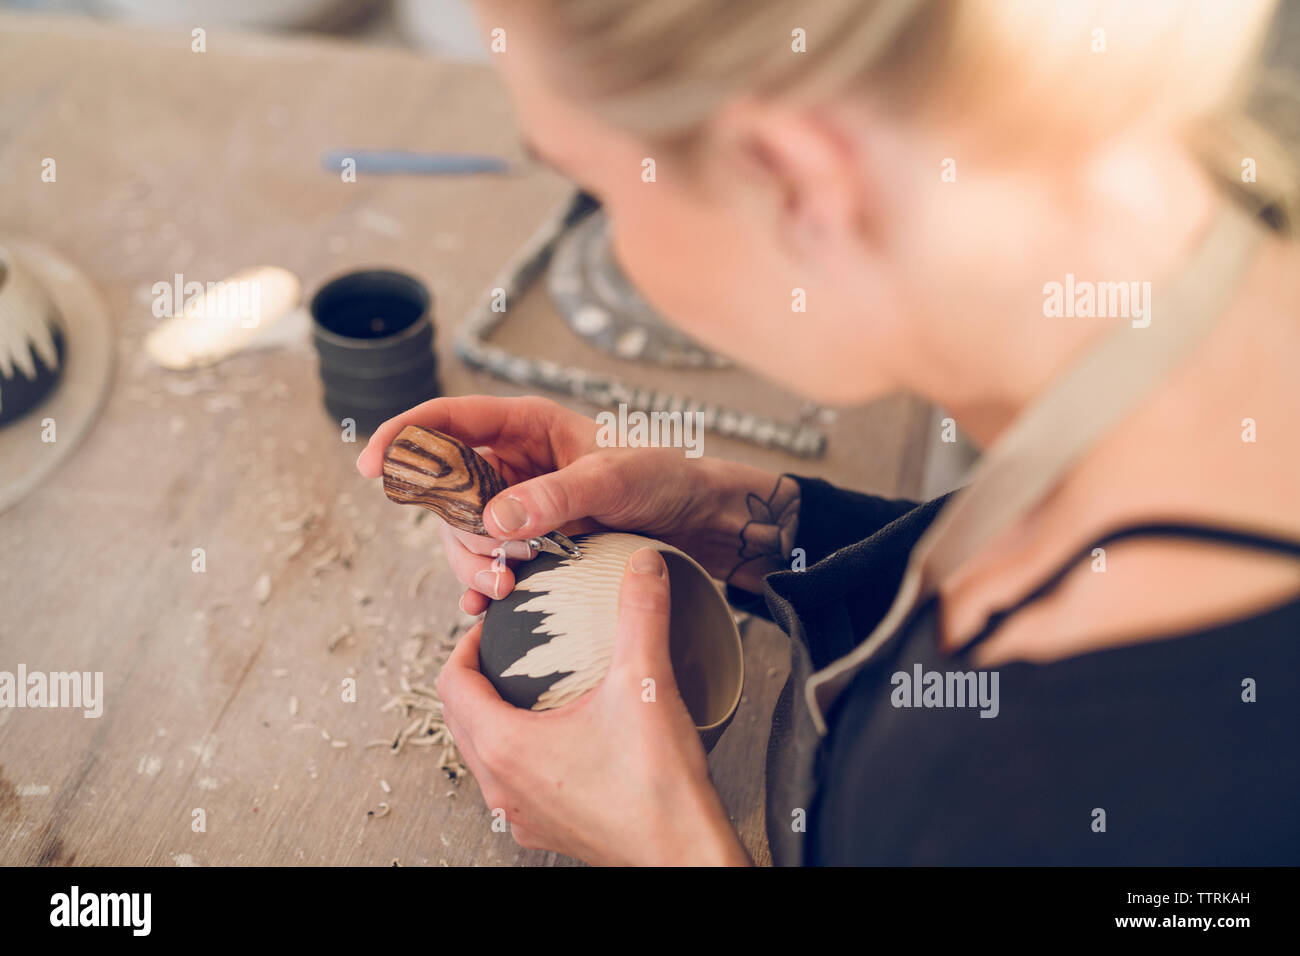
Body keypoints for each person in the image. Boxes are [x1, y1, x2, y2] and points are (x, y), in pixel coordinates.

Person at [356, 0, 1300, 865]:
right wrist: (758, 529)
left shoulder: (994, 792)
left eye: (602, 190)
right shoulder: (1238, 269)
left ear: (796, 179)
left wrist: (666, 845)